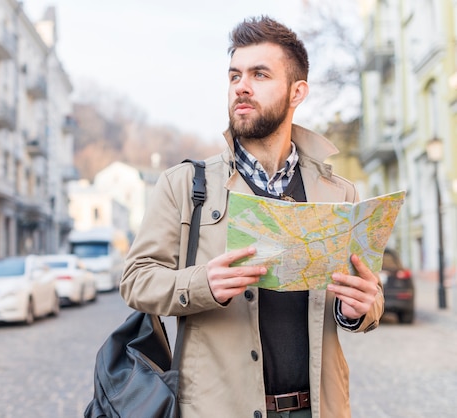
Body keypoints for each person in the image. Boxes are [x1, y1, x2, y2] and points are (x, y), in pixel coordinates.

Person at [120, 15, 383, 418]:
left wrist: (360, 309)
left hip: (319, 408)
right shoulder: (186, 185)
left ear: (297, 92)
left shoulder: (339, 193)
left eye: (260, 74)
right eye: (234, 75)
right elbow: (136, 279)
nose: (241, 86)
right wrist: (202, 282)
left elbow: (363, 297)